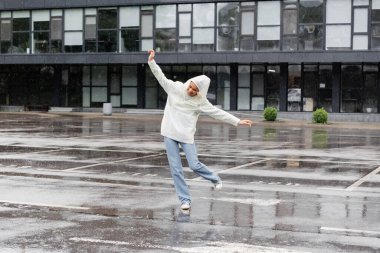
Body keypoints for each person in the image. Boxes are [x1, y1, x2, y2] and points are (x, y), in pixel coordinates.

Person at [147, 50, 253, 210]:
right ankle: (185, 200)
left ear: (199, 92)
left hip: (186, 135)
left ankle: (215, 179)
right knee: (176, 169)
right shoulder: (175, 88)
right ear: (189, 82)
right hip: (169, 133)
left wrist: (237, 121)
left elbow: (217, 113)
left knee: (194, 164)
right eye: (191, 87)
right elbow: (160, 76)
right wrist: (152, 62)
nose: (191, 91)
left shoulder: (200, 102)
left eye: (195, 90)